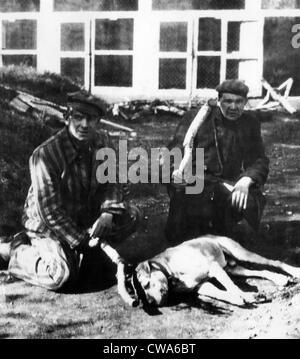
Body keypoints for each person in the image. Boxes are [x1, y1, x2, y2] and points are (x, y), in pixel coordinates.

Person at [0, 91, 140, 290]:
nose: (84, 124)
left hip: (83, 218)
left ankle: (84, 252)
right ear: (67, 118)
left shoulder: (103, 142)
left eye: (91, 119)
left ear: (98, 122)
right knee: (60, 275)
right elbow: (49, 211)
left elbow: (113, 182)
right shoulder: (45, 155)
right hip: (48, 226)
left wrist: (108, 212)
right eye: (78, 117)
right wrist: (81, 241)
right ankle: (14, 250)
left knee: (131, 216)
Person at [165, 79, 269, 245]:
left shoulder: (250, 123)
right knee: (183, 240)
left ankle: (228, 229)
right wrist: (176, 171)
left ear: (245, 102)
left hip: (228, 185)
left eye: (239, 102)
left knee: (237, 236)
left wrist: (246, 180)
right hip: (196, 183)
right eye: (228, 101)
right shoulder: (196, 118)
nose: (233, 107)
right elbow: (175, 150)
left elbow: (259, 159)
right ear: (218, 100)